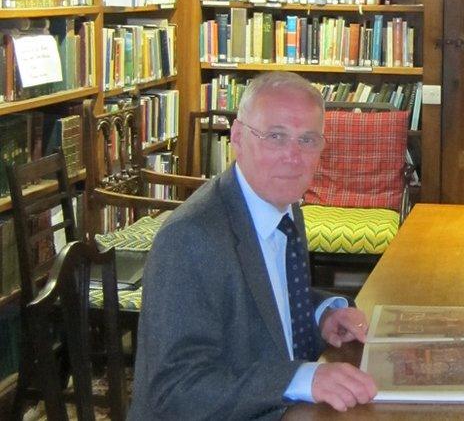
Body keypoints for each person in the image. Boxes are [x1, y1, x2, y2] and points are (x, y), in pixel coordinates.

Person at [130, 72, 377, 419]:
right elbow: (176, 390)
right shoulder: (190, 238)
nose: (293, 156)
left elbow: (264, 298)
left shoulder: (282, 202)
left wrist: (321, 314)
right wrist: (302, 377)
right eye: (276, 137)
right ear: (237, 137)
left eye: (308, 140)